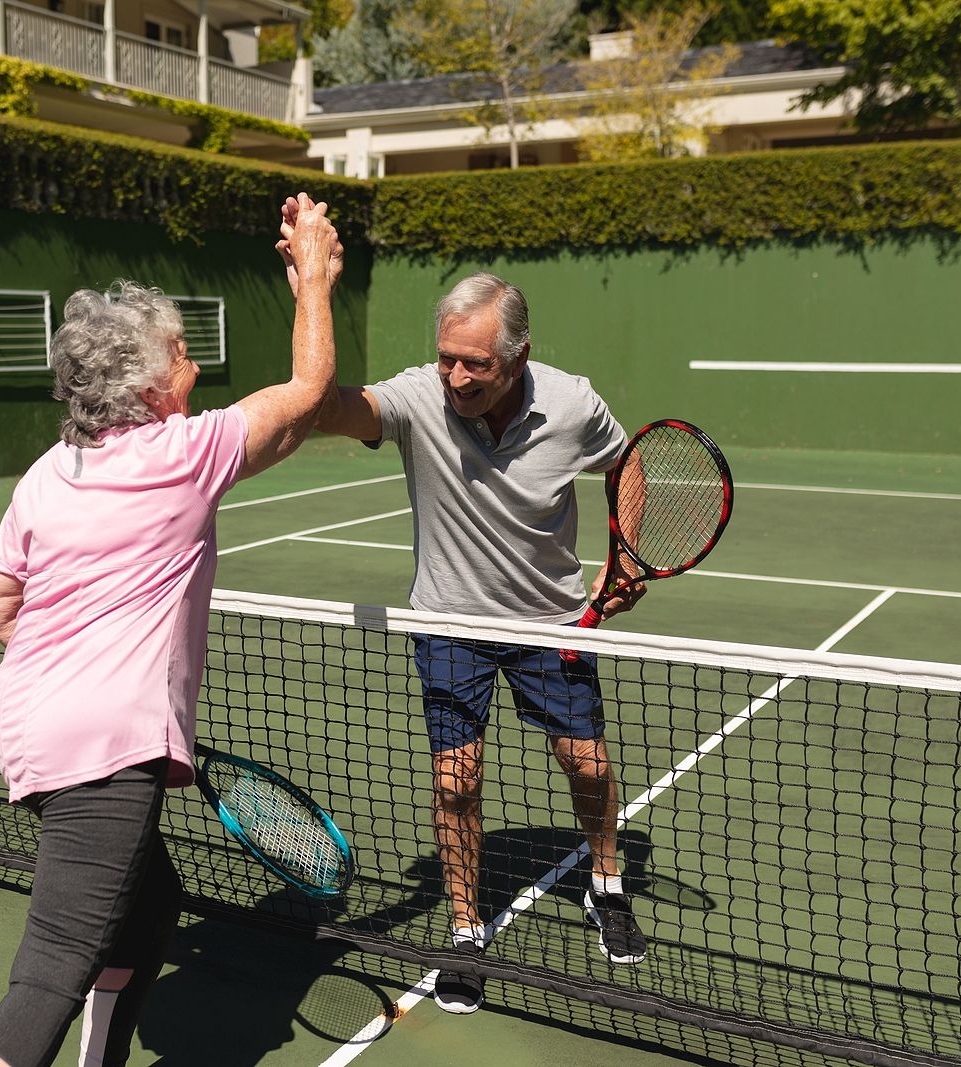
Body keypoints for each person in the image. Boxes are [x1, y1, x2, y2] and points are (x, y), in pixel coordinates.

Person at [0, 193, 343, 1067]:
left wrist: (62, 663)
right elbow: (308, 393)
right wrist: (314, 278)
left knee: (150, 906)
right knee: (52, 967)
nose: (191, 357)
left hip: (29, 725)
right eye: (178, 349)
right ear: (145, 385)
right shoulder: (180, 457)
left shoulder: (51, 470)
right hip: (104, 746)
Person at [280, 216, 648, 1012]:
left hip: (550, 623)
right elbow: (326, 408)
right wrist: (314, 293)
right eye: (446, 355)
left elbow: (627, 460)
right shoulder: (418, 396)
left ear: (518, 355)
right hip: (447, 623)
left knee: (587, 764)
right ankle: (465, 930)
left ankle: (607, 879)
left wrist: (625, 556)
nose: (454, 375)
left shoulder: (574, 402)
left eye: (474, 362)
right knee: (457, 783)